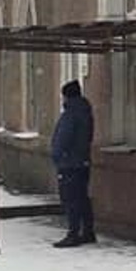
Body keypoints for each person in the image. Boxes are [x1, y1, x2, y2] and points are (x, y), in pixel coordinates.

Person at [51, 79, 95, 248]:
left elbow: (63, 138)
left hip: (69, 163)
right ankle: (88, 231)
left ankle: (73, 233)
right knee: (82, 197)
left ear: (66, 96)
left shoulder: (71, 114)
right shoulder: (85, 112)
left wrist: (57, 156)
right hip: (82, 161)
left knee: (71, 199)